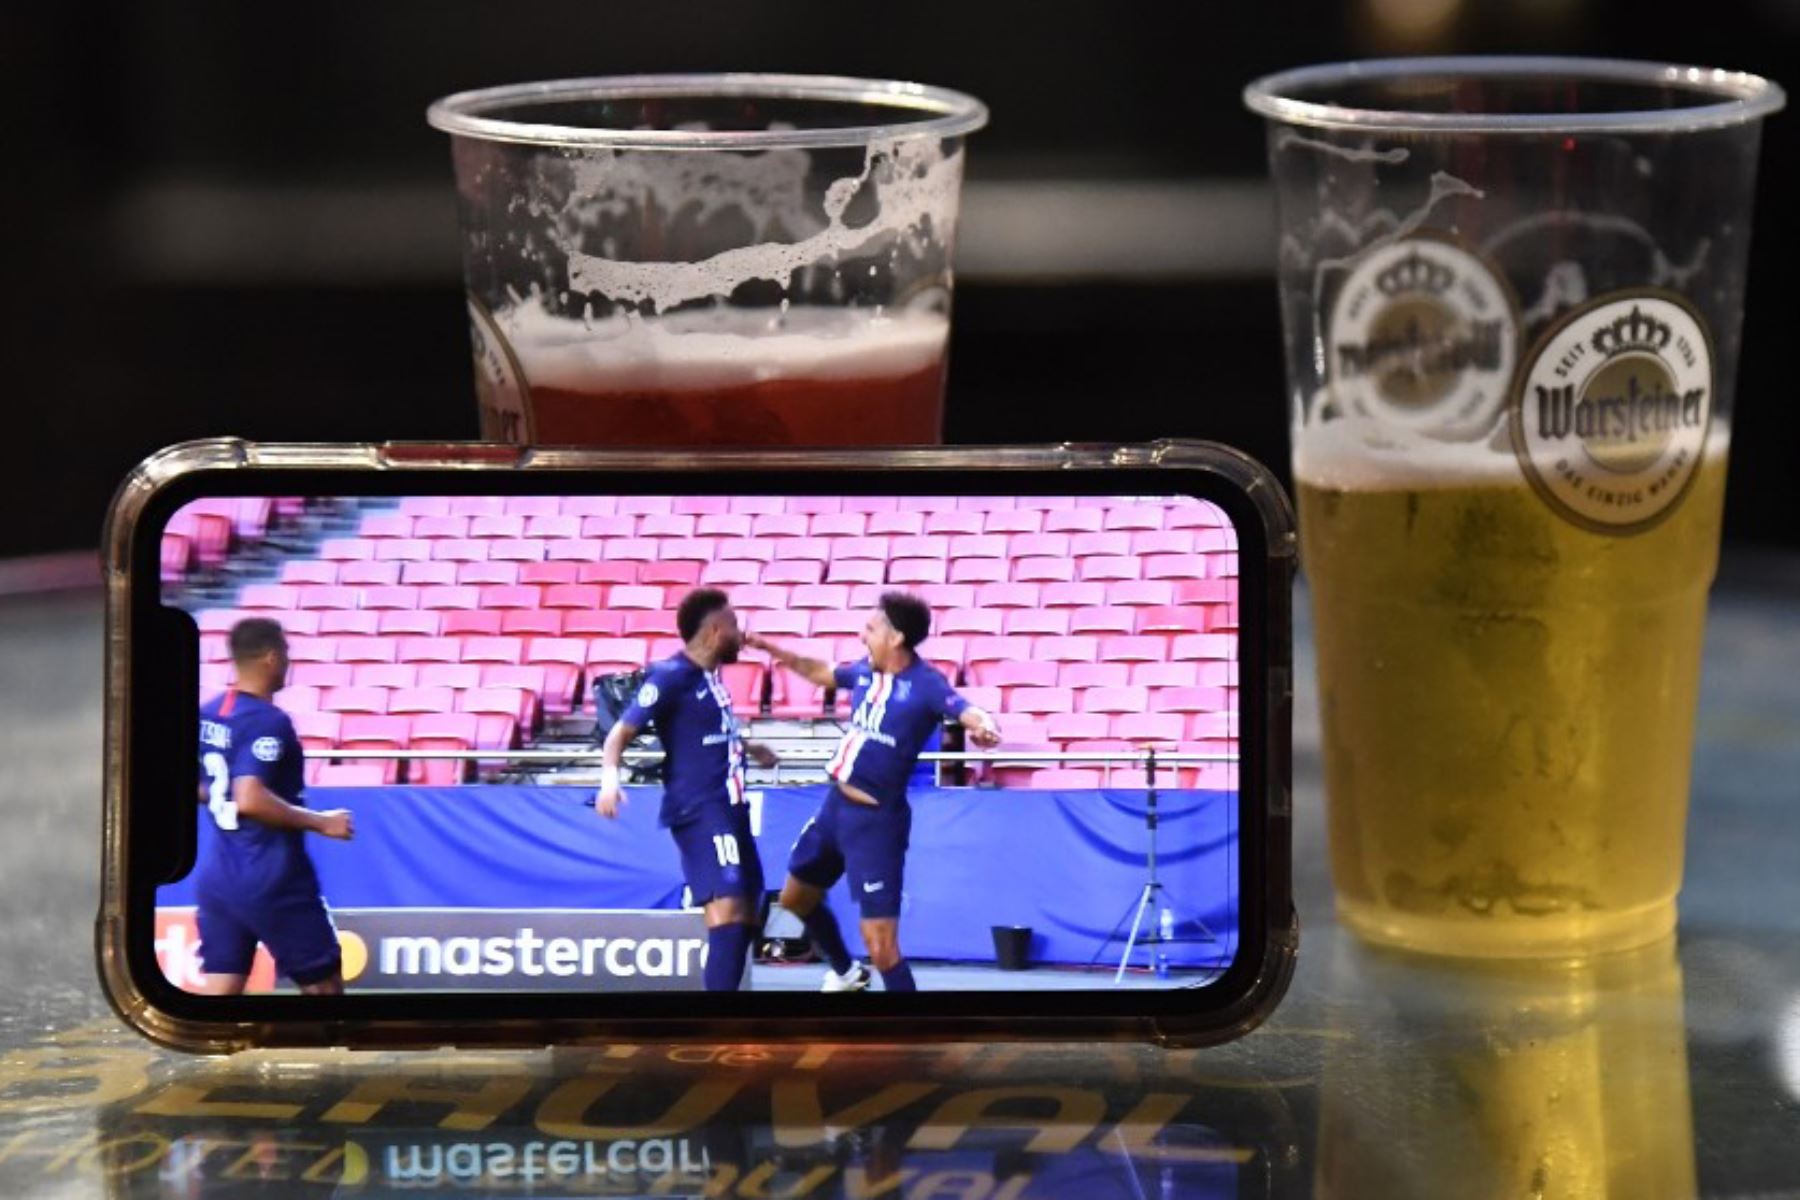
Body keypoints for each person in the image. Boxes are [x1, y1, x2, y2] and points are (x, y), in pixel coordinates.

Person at [748, 592, 1001, 992]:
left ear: (896, 637)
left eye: (870, 628)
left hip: (876, 824)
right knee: (795, 899)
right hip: (834, 810)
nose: (862, 635)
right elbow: (822, 672)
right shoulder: (865, 670)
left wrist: (984, 726)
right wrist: (771, 648)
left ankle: (915, 1039)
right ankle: (847, 974)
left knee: (882, 949)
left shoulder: (926, 684)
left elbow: (968, 711)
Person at [595, 588, 779, 991]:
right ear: (715, 630)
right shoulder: (671, 675)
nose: (741, 634)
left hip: (732, 807)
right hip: (701, 808)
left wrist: (748, 746)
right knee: (728, 910)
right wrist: (610, 781)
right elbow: (618, 734)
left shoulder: (710, 678)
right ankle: (716, 1030)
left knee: (749, 912)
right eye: (734, 625)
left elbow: (703, 731)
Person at [195, 618, 354, 996]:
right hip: (273, 877)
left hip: (220, 879)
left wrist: (224, 797)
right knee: (325, 987)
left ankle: (208, 1057)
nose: (288, 662)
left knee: (221, 990)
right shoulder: (269, 721)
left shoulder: (210, 713)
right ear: (271, 657)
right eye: (286, 654)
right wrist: (321, 823)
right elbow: (250, 797)